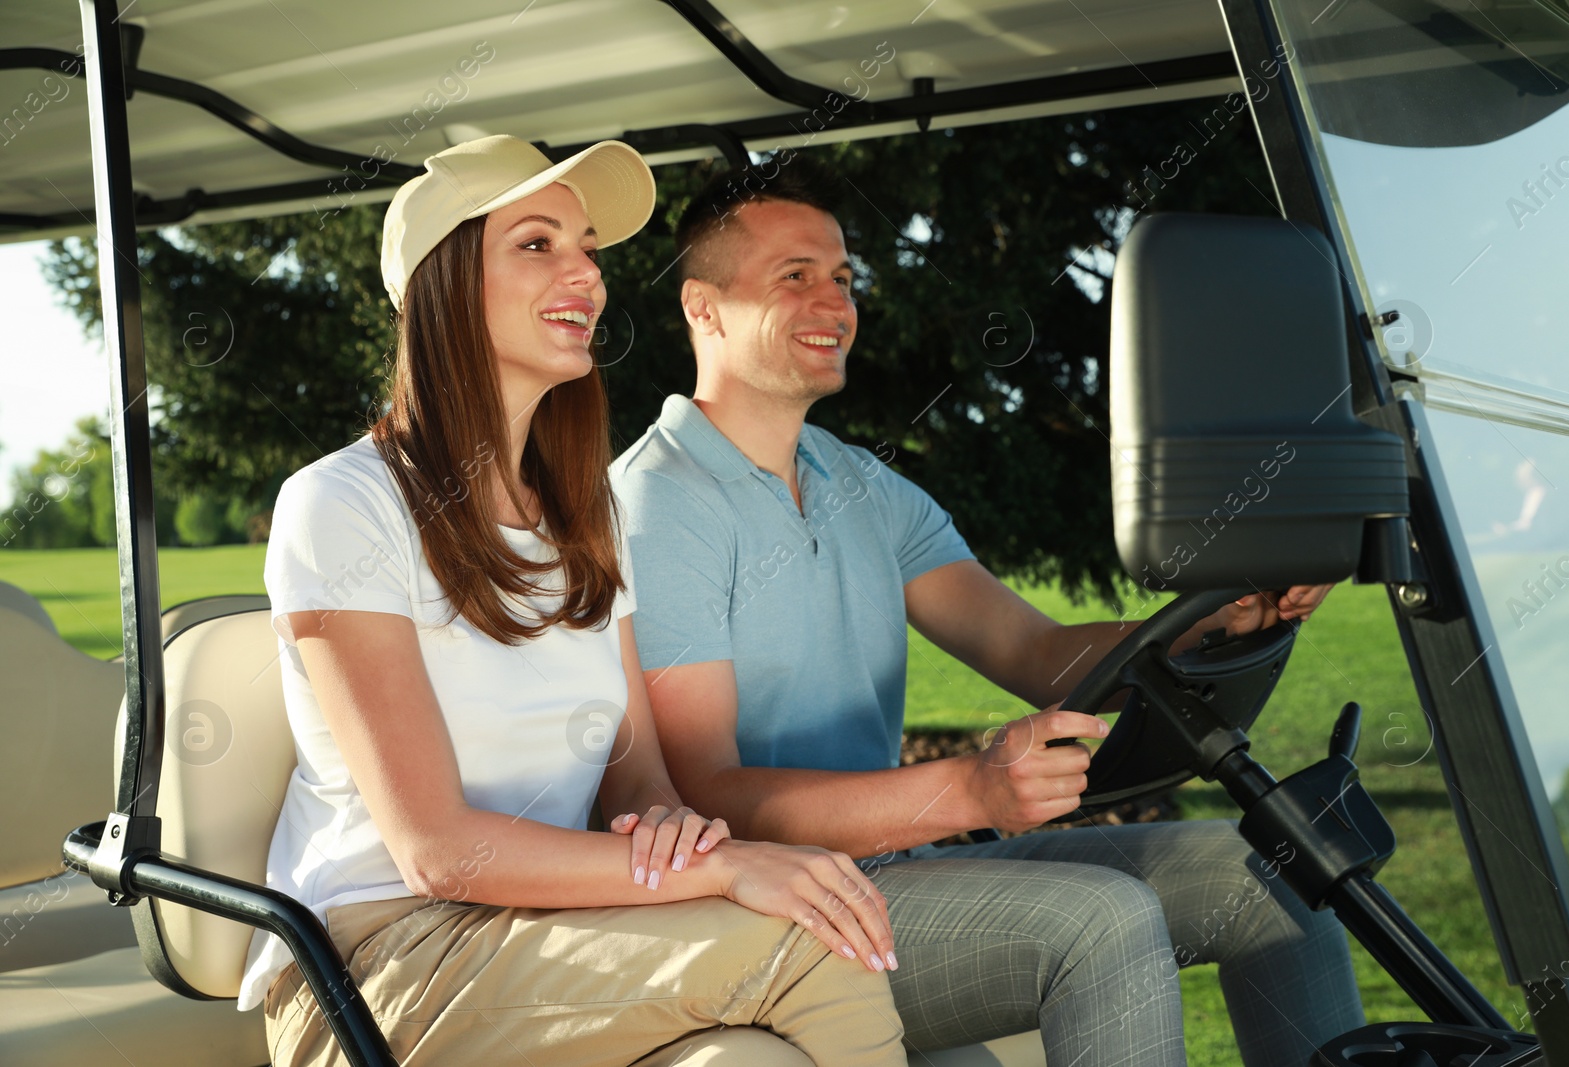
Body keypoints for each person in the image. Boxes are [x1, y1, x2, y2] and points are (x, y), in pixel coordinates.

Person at [612, 160, 1368, 1067]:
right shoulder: (661, 503)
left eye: (843, 277)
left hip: (899, 871)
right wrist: (968, 789)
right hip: (769, 908)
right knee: (1103, 919)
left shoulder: (860, 483)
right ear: (704, 307)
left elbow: (1033, 648)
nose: (834, 301)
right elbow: (708, 795)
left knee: (1274, 870)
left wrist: (1227, 615)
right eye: (795, 277)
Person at [236, 135, 910, 1067]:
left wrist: (671, 824)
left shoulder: (584, 513)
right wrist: (726, 864)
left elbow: (637, 778)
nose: (587, 273)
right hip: (378, 962)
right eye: (537, 244)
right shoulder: (342, 504)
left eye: (587, 247)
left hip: (541, 931)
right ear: (441, 287)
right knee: (814, 951)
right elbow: (439, 851)